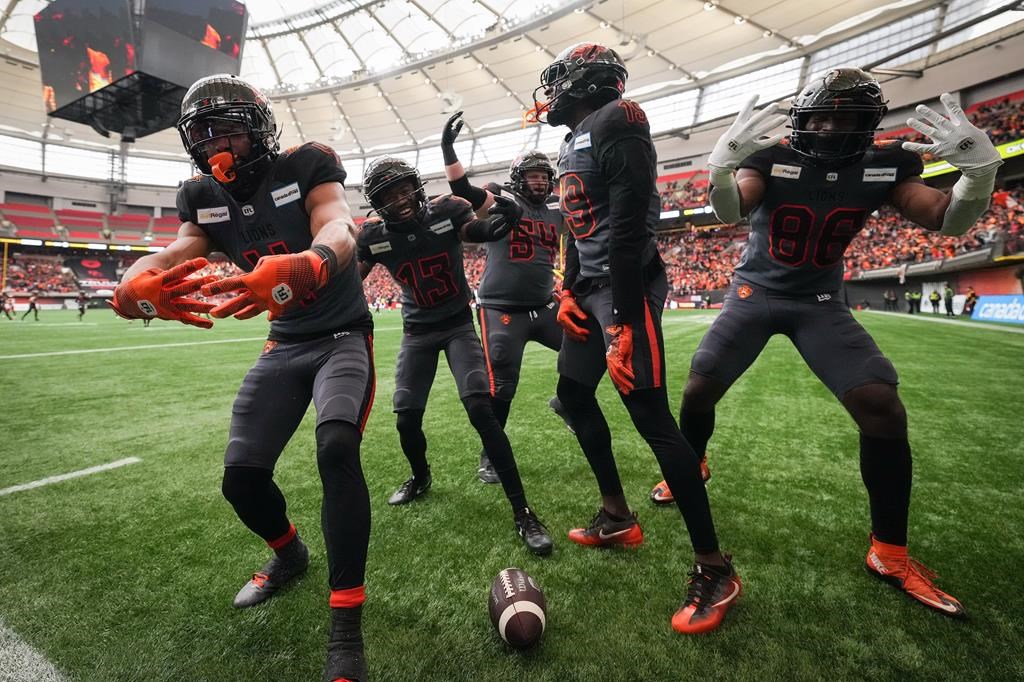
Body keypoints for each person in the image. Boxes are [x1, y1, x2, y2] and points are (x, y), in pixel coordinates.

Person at [649, 70, 1002, 619]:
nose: (833, 127)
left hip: (820, 302)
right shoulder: (770, 157)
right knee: (700, 387)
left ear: (869, 124)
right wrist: (720, 170)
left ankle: (889, 551)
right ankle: (692, 465)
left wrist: (977, 178)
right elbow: (730, 210)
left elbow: (945, 220)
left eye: (848, 117)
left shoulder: (888, 164)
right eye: (823, 116)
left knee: (881, 406)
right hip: (755, 292)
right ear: (802, 120)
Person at [110, 74, 374, 682]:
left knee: (336, 449)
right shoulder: (199, 194)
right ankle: (289, 556)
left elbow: (339, 222)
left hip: (340, 337)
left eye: (226, 127)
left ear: (258, 126)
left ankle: (346, 622)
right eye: (201, 134)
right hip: (284, 344)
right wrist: (135, 275)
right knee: (241, 481)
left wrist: (314, 260)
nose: (214, 143)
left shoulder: (308, 163)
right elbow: (181, 249)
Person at [535, 42, 738, 634]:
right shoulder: (577, 137)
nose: (549, 95)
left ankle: (714, 567)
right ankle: (617, 516)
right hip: (592, 288)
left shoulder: (619, 119)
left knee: (650, 417)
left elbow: (626, 227)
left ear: (581, 83)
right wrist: (569, 289)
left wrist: (621, 315)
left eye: (557, 83)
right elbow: (581, 228)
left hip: (625, 287)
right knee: (573, 397)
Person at [355, 156, 554, 557]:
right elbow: (348, 281)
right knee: (406, 416)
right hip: (417, 333)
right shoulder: (373, 236)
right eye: (388, 195)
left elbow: (478, 229)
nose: (400, 200)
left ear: (416, 185)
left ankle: (523, 511)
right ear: (377, 203)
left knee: (481, 408)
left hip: (458, 325)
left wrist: (505, 217)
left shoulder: (447, 210)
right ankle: (420, 476)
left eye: (403, 188)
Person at [440, 115, 572, 482]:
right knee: (503, 383)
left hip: (545, 306)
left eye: (545, 176)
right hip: (501, 310)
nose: (541, 181)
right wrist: (449, 149)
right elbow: (463, 190)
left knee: (589, 347)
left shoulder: (559, 209)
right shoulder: (503, 201)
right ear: (518, 178)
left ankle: (568, 401)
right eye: (533, 175)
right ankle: (491, 456)